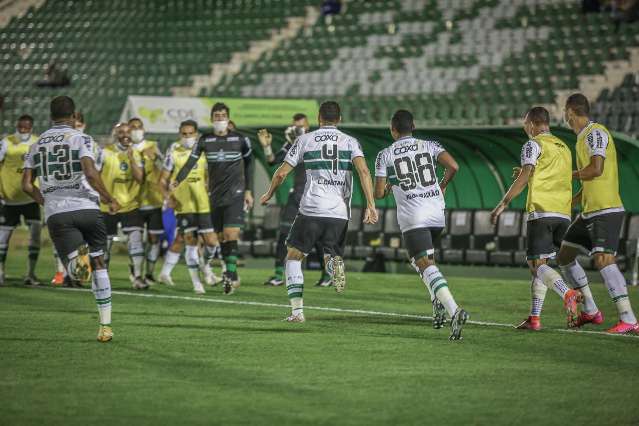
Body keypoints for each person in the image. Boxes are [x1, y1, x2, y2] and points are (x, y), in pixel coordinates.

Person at [260, 101, 378, 323]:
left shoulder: (305, 139)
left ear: (318, 118)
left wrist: (268, 194)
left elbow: (281, 173)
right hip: (339, 212)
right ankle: (334, 265)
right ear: (339, 119)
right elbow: (363, 171)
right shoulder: (350, 141)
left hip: (312, 208)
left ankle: (297, 313)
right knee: (329, 253)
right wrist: (370, 204)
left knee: (293, 257)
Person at [22, 95, 120, 342]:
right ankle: (105, 326)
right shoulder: (81, 138)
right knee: (100, 264)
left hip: (58, 213)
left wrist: (45, 200)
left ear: (50, 115)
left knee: (79, 274)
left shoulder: (36, 145)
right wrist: (108, 198)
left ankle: (79, 260)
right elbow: (90, 171)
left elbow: (25, 185)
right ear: (74, 115)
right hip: (88, 208)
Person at [374, 110, 468, 340]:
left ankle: (454, 310)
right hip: (437, 213)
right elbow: (453, 166)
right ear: (413, 126)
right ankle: (437, 305)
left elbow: (378, 193)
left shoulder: (385, 154)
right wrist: (442, 185)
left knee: (423, 263)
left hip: (413, 215)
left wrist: (388, 187)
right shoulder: (430, 145)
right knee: (427, 261)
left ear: (392, 130)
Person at [491, 107, 581, 331]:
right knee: (543, 265)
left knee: (534, 264)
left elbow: (527, 172)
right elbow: (550, 175)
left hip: (542, 212)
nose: (525, 129)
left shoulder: (533, 144)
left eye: (525, 125)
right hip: (563, 214)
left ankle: (567, 293)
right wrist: (527, 174)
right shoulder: (564, 147)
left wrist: (504, 201)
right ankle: (534, 318)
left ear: (531, 124)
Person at [556, 93, 639, 334]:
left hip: (606, 209)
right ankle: (591, 310)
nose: (565, 117)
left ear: (571, 112)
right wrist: (569, 200)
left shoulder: (595, 133)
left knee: (604, 259)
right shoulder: (581, 138)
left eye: (565, 112)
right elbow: (589, 180)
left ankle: (629, 318)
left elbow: (596, 169)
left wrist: (564, 175)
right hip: (589, 211)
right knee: (564, 255)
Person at [171, 103, 254, 295]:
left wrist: (249, 190)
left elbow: (249, 163)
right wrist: (177, 181)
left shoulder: (240, 139)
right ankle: (222, 270)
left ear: (228, 118)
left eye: (223, 115)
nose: (220, 119)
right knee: (220, 238)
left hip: (236, 193)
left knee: (231, 233)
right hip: (215, 196)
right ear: (211, 119)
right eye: (216, 116)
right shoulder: (205, 140)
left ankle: (230, 274)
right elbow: (191, 161)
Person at [257, 114, 332, 287]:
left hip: (316, 194)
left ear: (308, 126)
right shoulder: (291, 142)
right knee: (284, 233)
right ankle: (278, 275)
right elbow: (272, 161)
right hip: (297, 194)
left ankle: (327, 274)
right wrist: (267, 147)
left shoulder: (317, 140)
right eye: (294, 126)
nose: (296, 129)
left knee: (318, 237)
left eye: (300, 126)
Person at [158, 120, 221, 294]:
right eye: (184, 134)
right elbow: (162, 180)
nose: (187, 137)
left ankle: (205, 268)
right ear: (180, 134)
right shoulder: (173, 152)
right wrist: (168, 198)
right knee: (190, 242)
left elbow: (210, 176)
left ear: (196, 134)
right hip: (183, 205)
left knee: (211, 242)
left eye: (190, 134)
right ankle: (197, 283)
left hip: (203, 204)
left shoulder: (204, 153)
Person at [96, 122, 147, 289]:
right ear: (115, 134)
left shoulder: (137, 154)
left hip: (130, 205)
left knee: (136, 240)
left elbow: (140, 179)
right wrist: (106, 198)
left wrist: (131, 158)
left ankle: (138, 277)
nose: (125, 135)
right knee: (106, 244)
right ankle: (103, 278)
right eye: (121, 132)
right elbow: (93, 177)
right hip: (108, 205)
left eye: (128, 132)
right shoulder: (104, 152)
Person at [0, 114, 42, 286]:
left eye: (26, 128)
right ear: (17, 126)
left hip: (30, 197)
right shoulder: (6, 142)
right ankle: (1, 273)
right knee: (3, 237)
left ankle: (30, 274)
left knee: (35, 235)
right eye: (20, 127)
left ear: (31, 127)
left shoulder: (37, 142)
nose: (22, 130)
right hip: (9, 198)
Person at [52, 111, 87, 286]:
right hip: (65, 198)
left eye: (80, 125)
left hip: (80, 199)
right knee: (65, 239)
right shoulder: (69, 143)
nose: (77, 127)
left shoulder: (88, 143)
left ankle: (74, 275)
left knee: (80, 240)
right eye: (76, 124)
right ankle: (64, 273)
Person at [128, 117, 164, 285]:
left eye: (138, 127)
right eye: (133, 127)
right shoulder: (125, 149)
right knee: (136, 238)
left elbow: (165, 166)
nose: (136, 130)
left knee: (154, 239)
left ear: (143, 129)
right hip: (133, 201)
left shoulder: (153, 146)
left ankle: (149, 273)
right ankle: (136, 273)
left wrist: (156, 159)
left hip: (153, 200)